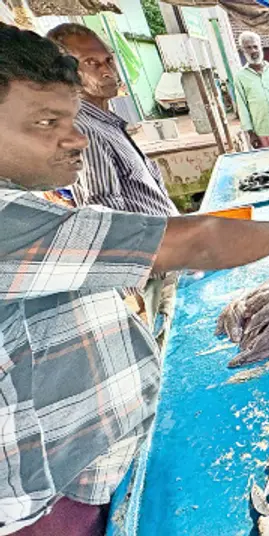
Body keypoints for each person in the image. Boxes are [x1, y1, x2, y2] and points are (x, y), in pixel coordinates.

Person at [0, 24, 269, 535]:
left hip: (91, 476)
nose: (76, 138)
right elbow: (194, 239)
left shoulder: (25, 199)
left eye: (70, 119)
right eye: (47, 122)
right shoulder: (8, 223)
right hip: (50, 507)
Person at [46, 23, 181, 346]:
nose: (106, 71)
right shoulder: (84, 129)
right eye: (91, 63)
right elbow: (107, 216)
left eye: (108, 61)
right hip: (156, 274)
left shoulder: (107, 123)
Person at [233, 31, 269, 149]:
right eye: (248, 48)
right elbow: (242, 106)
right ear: (243, 50)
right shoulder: (240, 76)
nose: (253, 51)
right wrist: (251, 134)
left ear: (260, 47)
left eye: (255, 46)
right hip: (261, 131)